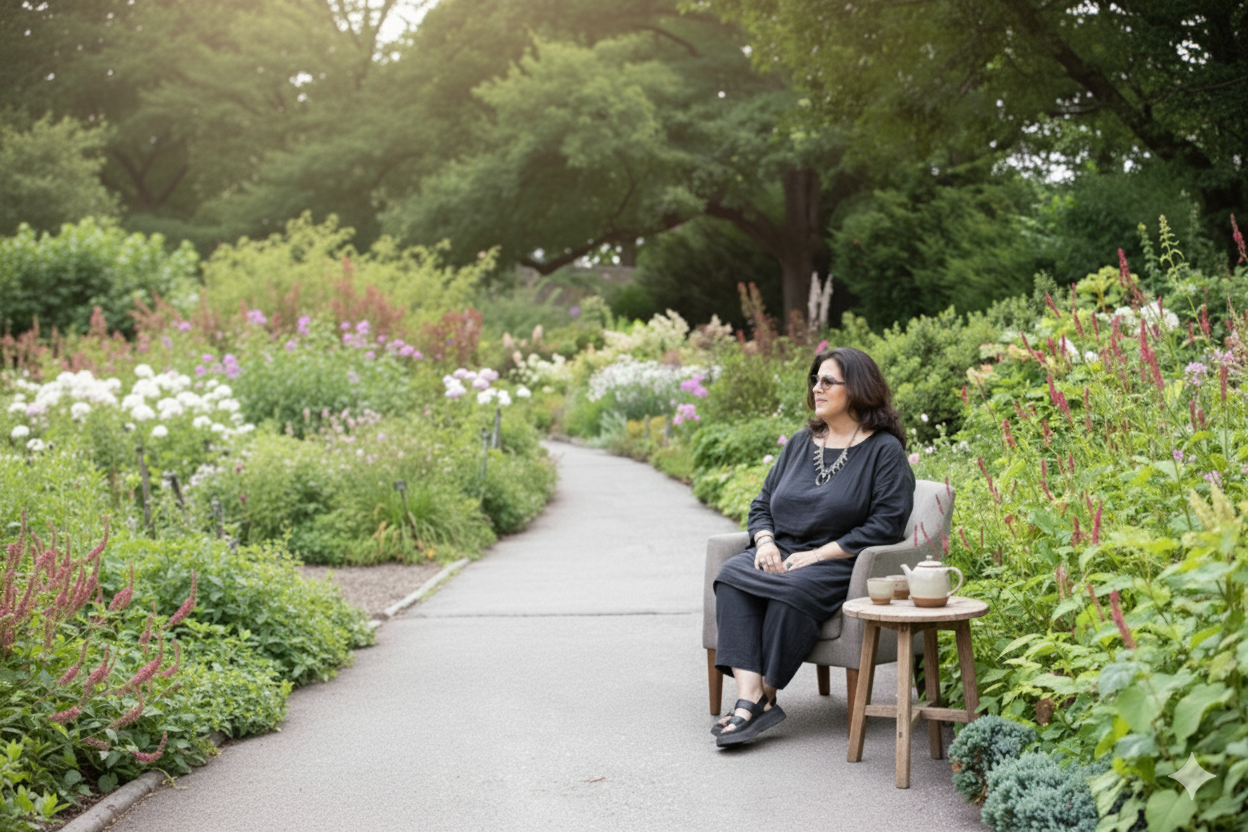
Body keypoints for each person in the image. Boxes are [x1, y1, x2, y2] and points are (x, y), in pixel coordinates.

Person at [711, 346, 914, 747]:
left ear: (856, 389)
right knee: (733, 574)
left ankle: (766, 693)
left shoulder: (884, 451)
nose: (817, 388)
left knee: (793, 588)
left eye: (828, 381)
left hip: (840, 562)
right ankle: (750, 698)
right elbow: (762, 503)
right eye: (814, 380)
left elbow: (887, 524)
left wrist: (820, 554)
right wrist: (765, 541)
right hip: (784, 550)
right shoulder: (803, 442)